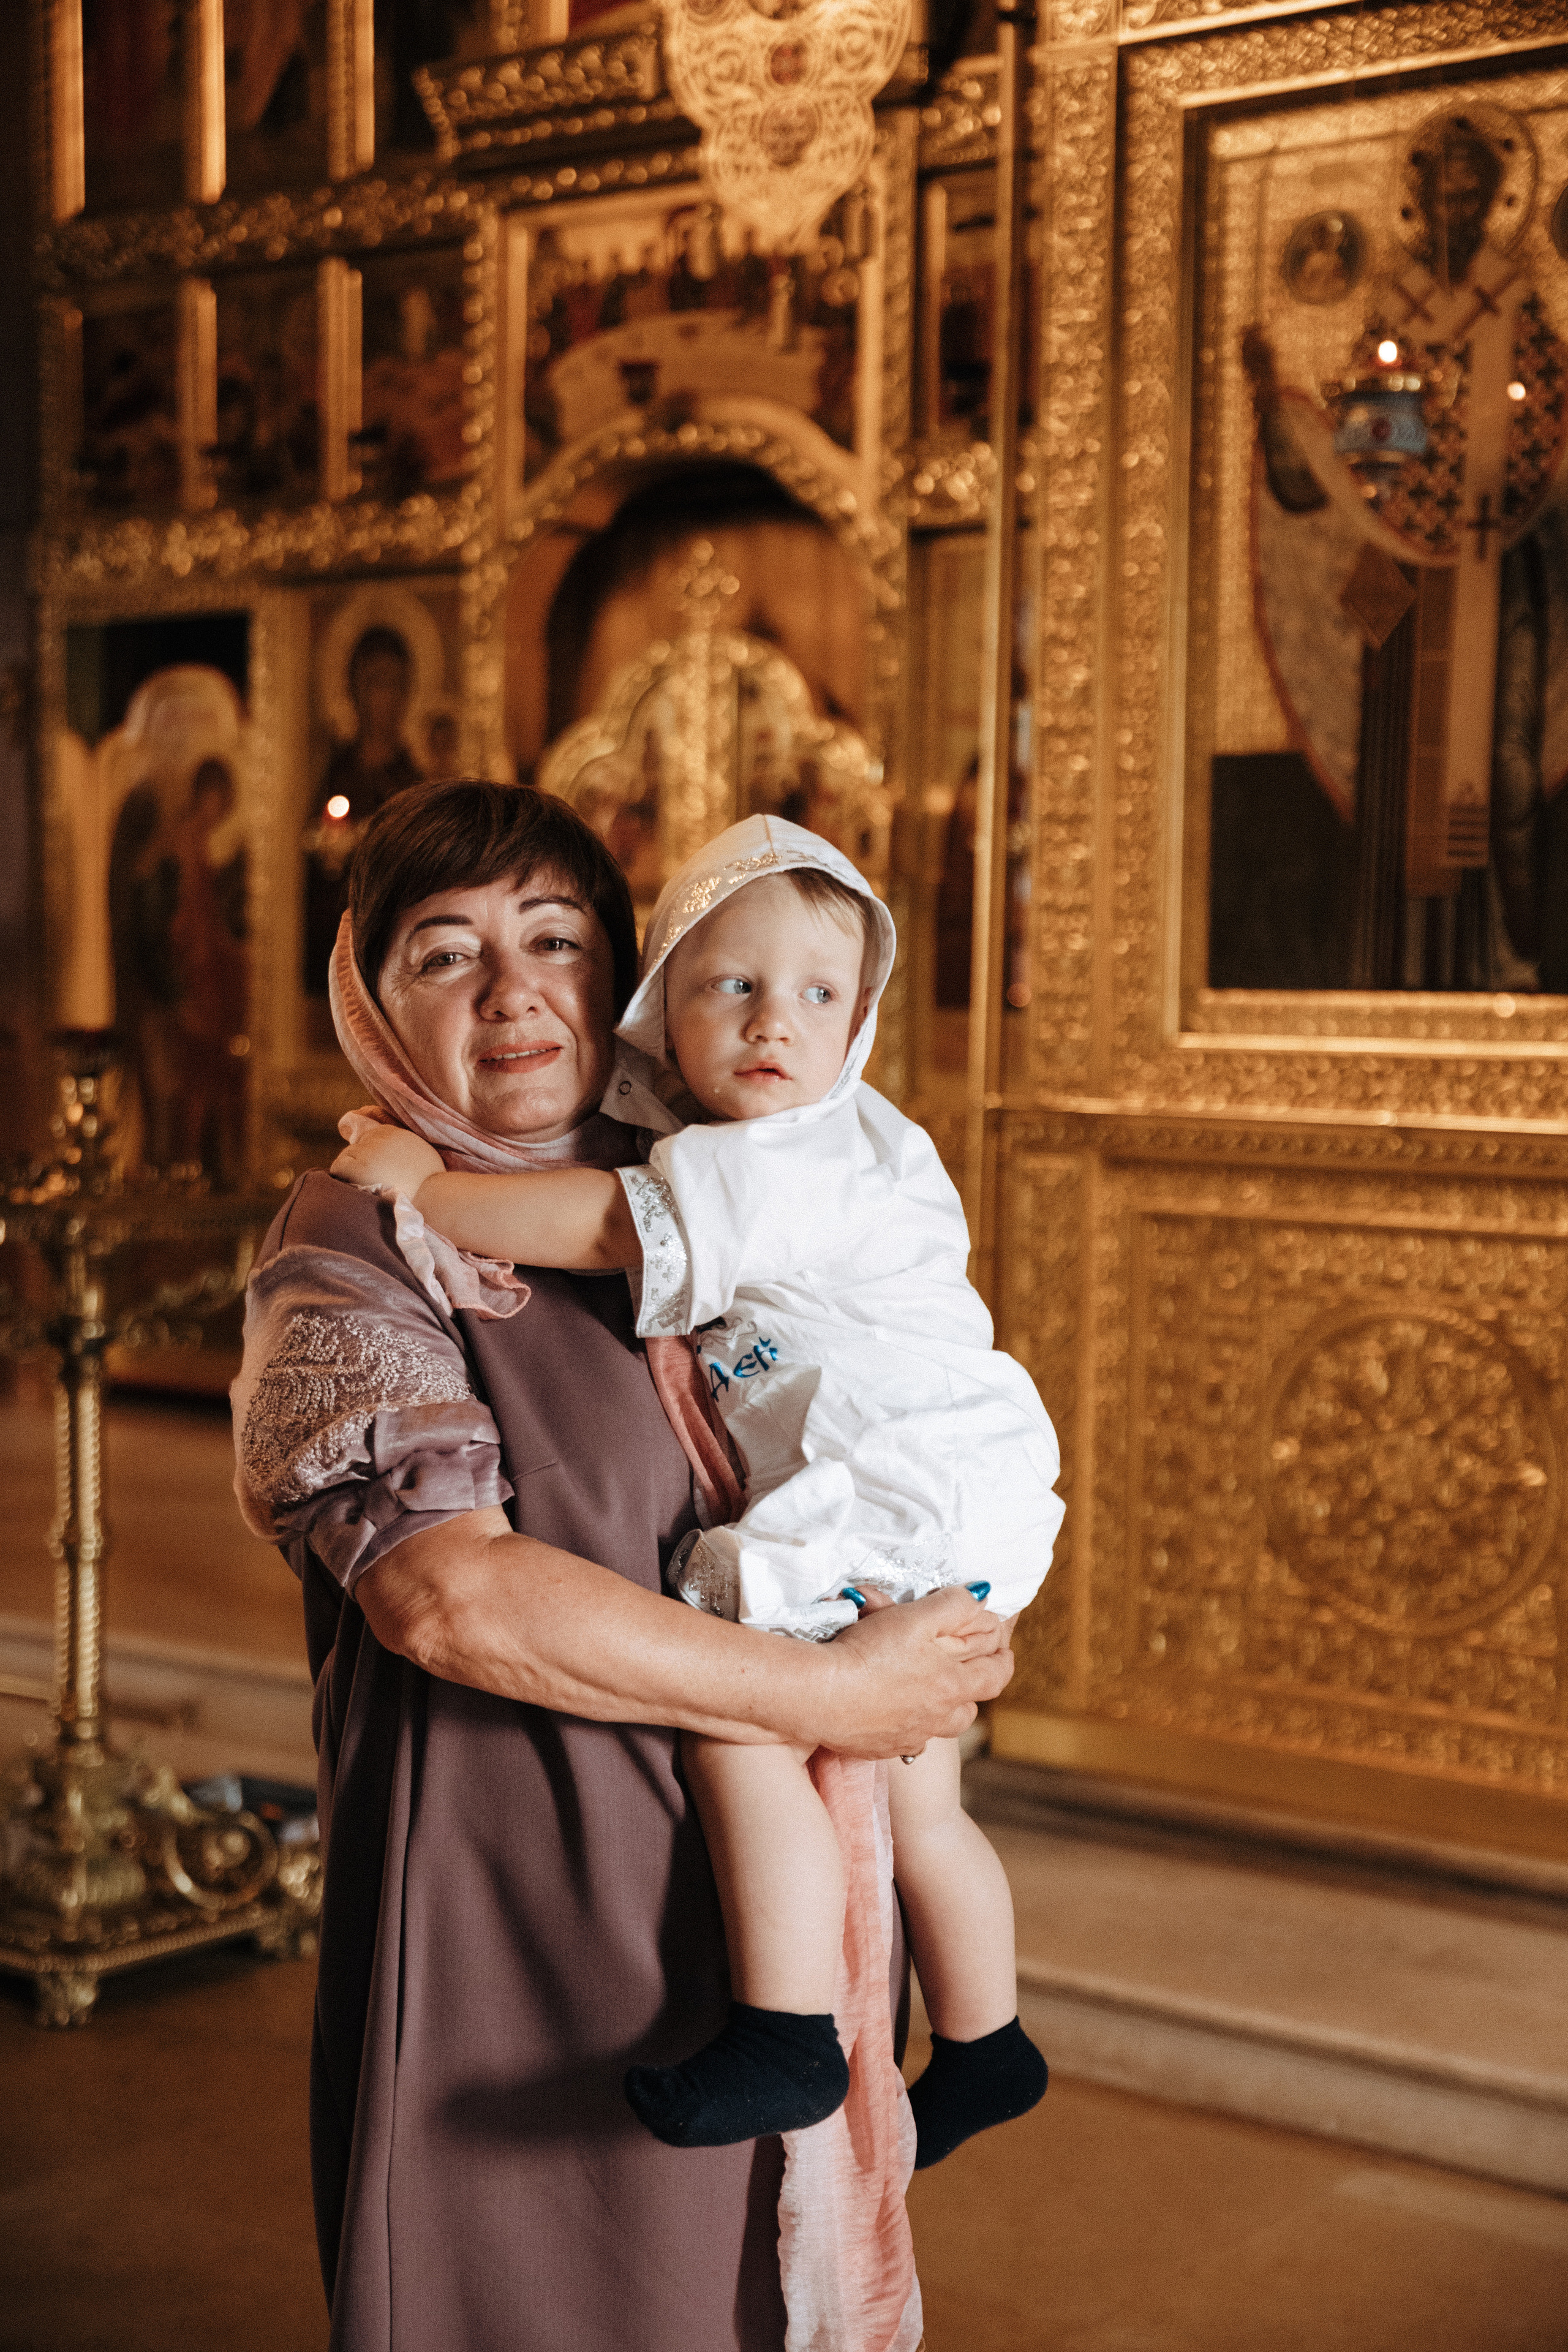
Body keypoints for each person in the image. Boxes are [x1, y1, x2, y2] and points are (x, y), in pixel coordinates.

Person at [232, 779, 1013, 2352]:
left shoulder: (709, 1187)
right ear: (370, 1002)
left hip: (756, 1911)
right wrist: (832, 1695)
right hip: (515, 1907)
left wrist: (932, 1618)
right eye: (444, 954)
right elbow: (448, 1593)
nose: (511, 993)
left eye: (554, 941)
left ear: (624, 979)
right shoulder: (356, 1242)